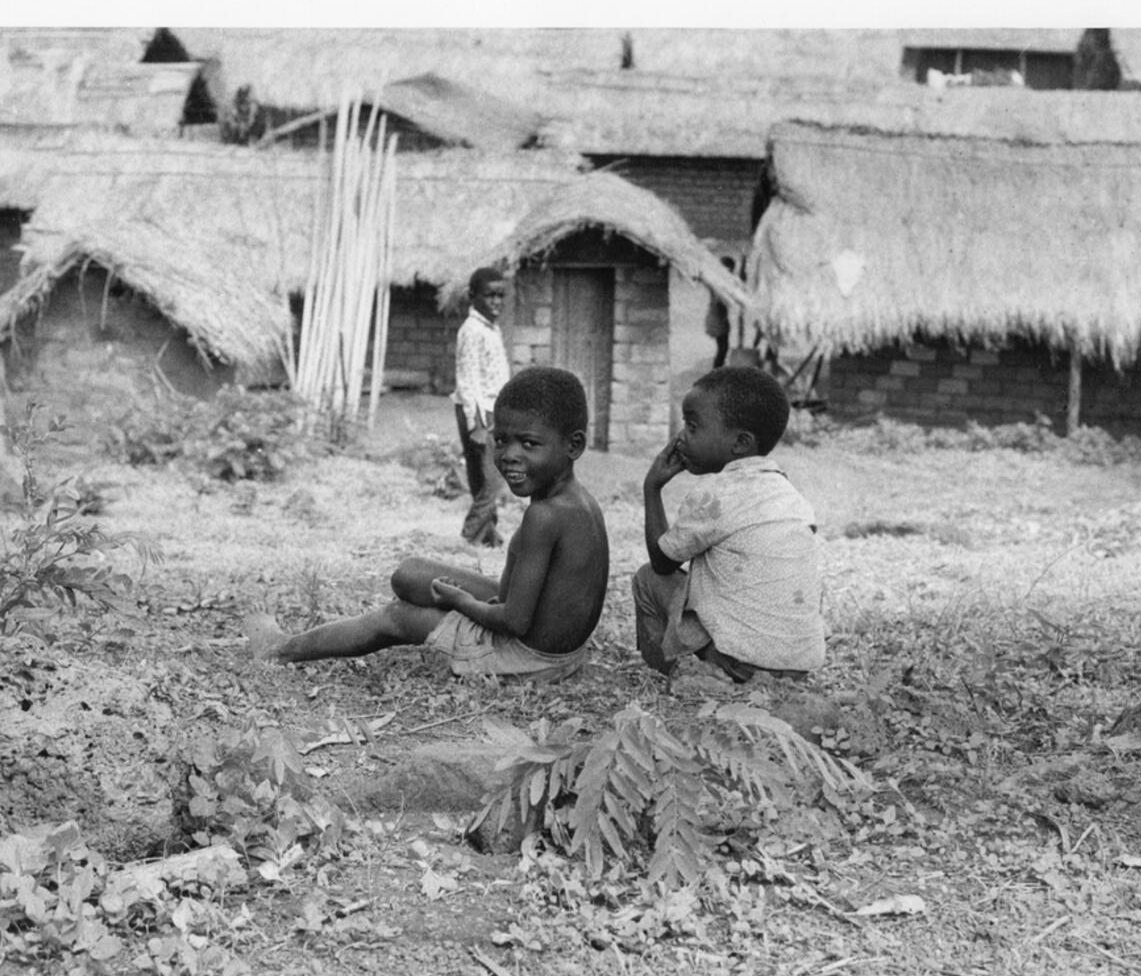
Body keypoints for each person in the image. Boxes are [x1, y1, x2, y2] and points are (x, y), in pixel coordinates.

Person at [245, 367, 610, 684]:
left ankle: (280, 650)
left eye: (529, 443)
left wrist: (461, 601)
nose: (509, 455)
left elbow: (513, 621)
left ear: (573, 445)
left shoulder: (544, 516)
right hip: (552, 640)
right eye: (501, 440)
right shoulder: (579, 502)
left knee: (396, 617)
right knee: (411, 574)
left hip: (528, 657)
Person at [633, 365, 825, 683]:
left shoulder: (716, 495)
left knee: (647, 579)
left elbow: (662, 563)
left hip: (739, 664)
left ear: (740, 443)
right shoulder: (790, 495)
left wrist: (652, 488)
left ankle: (671, 677)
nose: (680, 437)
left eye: (693, 426)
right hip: (798, 667)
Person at [453, 266, 511, 547]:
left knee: (483, 479)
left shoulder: (491, 328)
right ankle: (466, 539)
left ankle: (489, 536)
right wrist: (475, 424)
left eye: (501, 296)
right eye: (490, 296)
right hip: (479, 413)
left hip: (492, 411)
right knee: (493, 481)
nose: (497, 302)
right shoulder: (472, 330)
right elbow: (468, 381)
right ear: (473, 296)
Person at [704, 256, 737, 369]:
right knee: (723, 348)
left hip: (717, 318)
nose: (732, 272)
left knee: (723, 347)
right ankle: (716, 372)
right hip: (717, 319)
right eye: (731, 270)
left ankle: (717, 371)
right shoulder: (719, 283)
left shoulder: (717, 281)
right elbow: (720, 300)